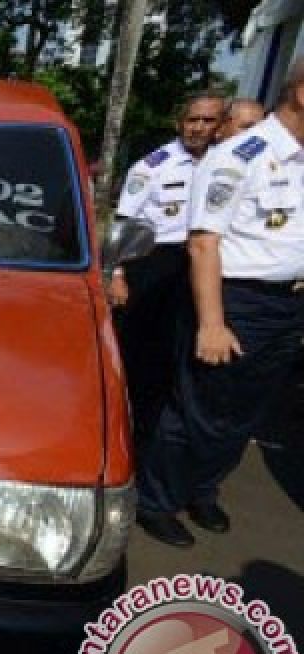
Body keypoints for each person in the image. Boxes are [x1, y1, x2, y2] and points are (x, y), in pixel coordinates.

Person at [136, 61, 304, 547]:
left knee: (247, 412)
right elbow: (204, 242)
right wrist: (212, 322)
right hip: (235, 299)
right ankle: (156, 501)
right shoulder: (238, 157)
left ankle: (202, 489)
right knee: (198, 408)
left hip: (285, 304)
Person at [110, 90, 225, 447]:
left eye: (208, 121)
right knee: (142, 352)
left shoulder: (225, 165)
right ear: (180, 124)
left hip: (205, 261)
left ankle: (171, 426)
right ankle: (131, 429)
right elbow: (124, 223)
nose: (199, 128)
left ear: (221, 126)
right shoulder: (152, 167)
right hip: (156, 262)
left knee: (188, 349)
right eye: (193, 120)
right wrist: (117, 275)